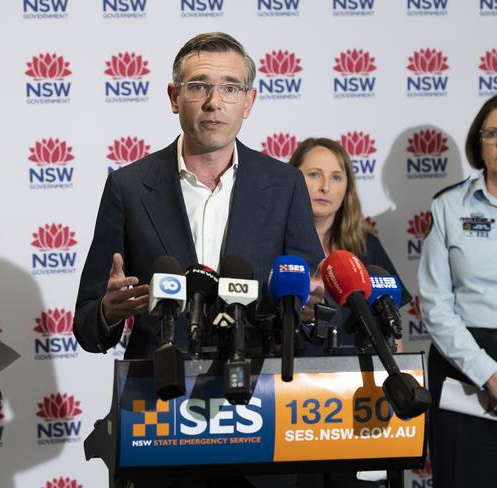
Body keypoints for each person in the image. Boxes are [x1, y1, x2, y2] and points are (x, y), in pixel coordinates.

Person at [73, 32, 323, 488]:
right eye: (198, 86)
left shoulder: (284, 184)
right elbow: (87, 325)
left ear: (249, 101)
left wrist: (308, 308)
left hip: (260, 417)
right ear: (174, 97)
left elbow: (311, 301)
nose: (214, 102)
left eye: (229, 88)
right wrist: (108, 313)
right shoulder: (128, 188)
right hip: (159, 421)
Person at [418, 93, 497, 487]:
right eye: (493, 133)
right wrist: (489, 374)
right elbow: (435, 304)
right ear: (479, 144)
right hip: (463, 372)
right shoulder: (448, 207)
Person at [289, 138, 411, 488]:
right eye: (313, 174)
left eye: (337, 177)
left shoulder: (367, 248)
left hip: (359, 400)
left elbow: (394, 337)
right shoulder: (271, 246)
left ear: (348, 188)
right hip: (294, 404)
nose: (326, 186)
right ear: (292, 181)